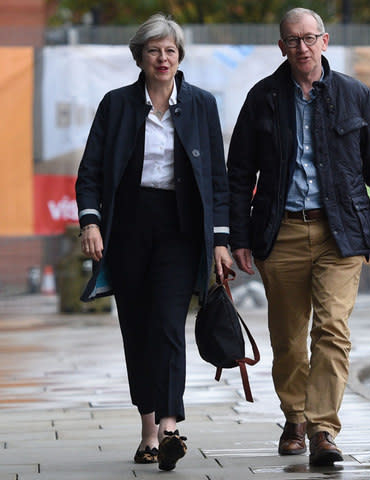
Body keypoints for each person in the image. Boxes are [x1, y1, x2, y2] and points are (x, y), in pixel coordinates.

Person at [227, 7, 370, 466]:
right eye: (292, 40)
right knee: (287, 339)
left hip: (341, 233)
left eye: (309, 38)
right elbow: (239, 173)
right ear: (281, 46)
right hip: (279, 232)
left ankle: (324, 428)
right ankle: (295, 417)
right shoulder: (262, 97)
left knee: (332, 330)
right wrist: (238, 237)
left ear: (324, 41)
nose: (301, 47)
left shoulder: (353, 94)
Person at [75, 13, 232, 471]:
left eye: (170, 50)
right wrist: (91, 223)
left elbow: (217, 180)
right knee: (137, 330)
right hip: (127, 227)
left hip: (180, 229)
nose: (162, 58)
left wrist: (220, 240)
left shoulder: (201, 104)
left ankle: (168, 428)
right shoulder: (117, 104)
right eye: (153, 51)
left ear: (179, 56)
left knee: (168, 324)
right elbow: (90, 172)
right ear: (139, 58)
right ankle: (146, 431)